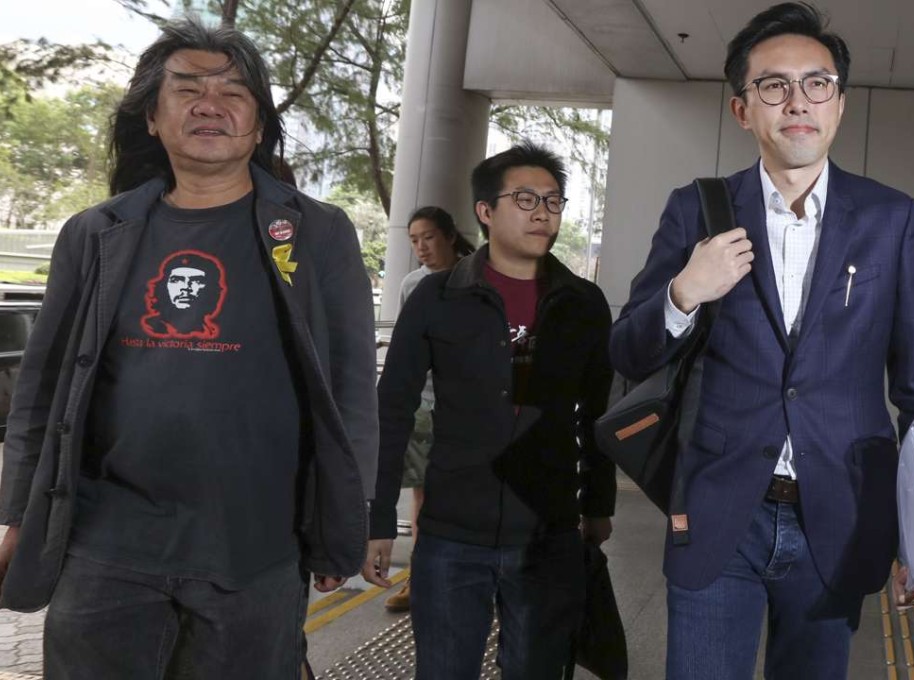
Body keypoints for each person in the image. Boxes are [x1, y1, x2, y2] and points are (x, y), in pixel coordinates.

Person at [0, 18, 378, 679]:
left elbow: (349, 390)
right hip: (106, 548)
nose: (211, 104)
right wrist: (14, 516)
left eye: (235, 91)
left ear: (259, 126)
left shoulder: (317, 233)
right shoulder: (96, 234)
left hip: (257, 550)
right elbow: (42, 387)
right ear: (152, 115)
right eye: (188, 88)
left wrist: (343, 524)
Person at [609, 3, 914, 678]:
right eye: (773, 85)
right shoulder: (698, 208)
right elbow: (627, 352)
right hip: (715, 515)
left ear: (840, 103)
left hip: (841, 514)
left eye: (816, 83)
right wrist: (684, 292)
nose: (797, 101)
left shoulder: (890, 218)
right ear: (743, 109)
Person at [363, 142, 616, 679]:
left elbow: (596, 414)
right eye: (524, 198)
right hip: (453, 531)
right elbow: (394, 410)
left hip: (547, 530)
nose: (542, 211)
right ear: (485, 211)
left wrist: (598, 503)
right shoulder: (437, 298)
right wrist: (379, 517)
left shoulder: (583, 303)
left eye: (553, 200)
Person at [383, 205, 475, 613]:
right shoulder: (413, 285)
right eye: (414, 240)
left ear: (450, 236)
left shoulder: (478, 276)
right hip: (425, 403)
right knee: (422, 495)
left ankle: (467, 580)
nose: (421, 247)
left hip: (469, 408)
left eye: (429, 237)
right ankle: (419, 580)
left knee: (466, 494)